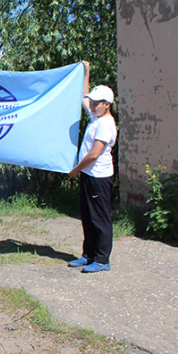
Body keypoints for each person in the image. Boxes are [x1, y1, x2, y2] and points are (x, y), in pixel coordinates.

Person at [68, 61, 117, 273]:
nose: (93, 104)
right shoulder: (95, 116)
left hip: (98, 177)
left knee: (100, 218)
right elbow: (84, 96)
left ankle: (102, 259)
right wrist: (86, 72)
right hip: (89, 175)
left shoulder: (106, 123)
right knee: (87, 217)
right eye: (93, 102)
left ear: (107, 104)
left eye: (98, 102)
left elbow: (95, 153)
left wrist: (76, 169)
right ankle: (88, 255)